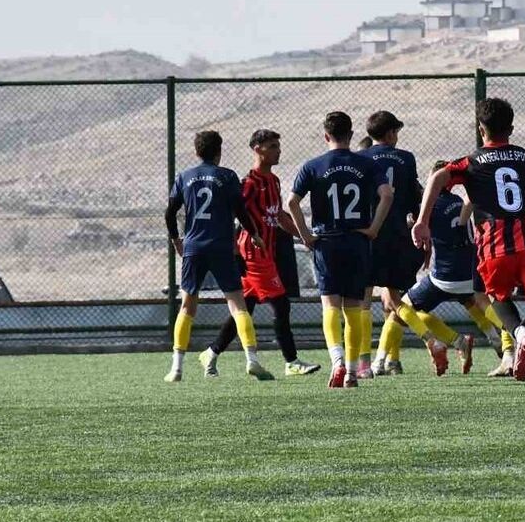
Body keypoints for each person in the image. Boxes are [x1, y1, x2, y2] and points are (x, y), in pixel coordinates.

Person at [412, 97, 525, 404]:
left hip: (494, 243)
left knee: (495, 297)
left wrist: (422, 222)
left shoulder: (473, 161)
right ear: (512, 128)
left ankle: (519, 334)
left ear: (481, 129)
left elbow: (438, 177)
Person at [199, 129, 321, 378]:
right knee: (281, 304)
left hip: (266, 252)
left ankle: (211, 352)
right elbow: (233, 215)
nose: (278, 150)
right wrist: (234, 247)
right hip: (253, 253)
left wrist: (303, 236)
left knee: (246, 308)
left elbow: (279, 217)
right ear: (257, 149)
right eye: (273, 146)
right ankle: (291, 361)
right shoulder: (249, 183)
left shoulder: (273, 181)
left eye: (278, 145)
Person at [287, 112, 394, 389]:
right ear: (351, 134)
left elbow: (291, 203)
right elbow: (387, 194)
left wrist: (306, 235)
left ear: (326, 136)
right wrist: (374, 228)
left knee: (330, 305)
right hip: (358, 241)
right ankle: (351, 372)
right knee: (355, 307)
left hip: (327, 241)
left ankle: (337, 361)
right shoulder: (366, 163)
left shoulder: (313, 166)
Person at [163, 130, 272, 383]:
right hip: (222, 247)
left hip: (194, 248)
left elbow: (170, 213)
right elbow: (240, 210)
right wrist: (253, 233)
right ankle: (252, 360)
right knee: (237, 304)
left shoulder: (185, 177)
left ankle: (176, 368)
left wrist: (176, 239)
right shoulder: (227, 176)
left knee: (187, 305)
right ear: (219, 151)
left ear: (197, 152)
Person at [383, 161, 510, 376]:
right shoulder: (459, 200)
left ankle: (379, 361)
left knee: (397, 306)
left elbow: (419, 229)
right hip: (468, 271)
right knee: (473, 300)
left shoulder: (429, 206)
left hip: (443, 276)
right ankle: (498, 335)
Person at [357, 111, 424, 379]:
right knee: (393, 299)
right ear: (390, 134)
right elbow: (411, 197)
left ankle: (363, 363)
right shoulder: (406, 158)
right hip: (397, 235)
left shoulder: (359, 159)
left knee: (363, 300)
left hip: (367, 235)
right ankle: (392, 360)